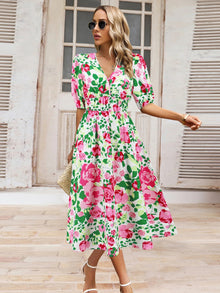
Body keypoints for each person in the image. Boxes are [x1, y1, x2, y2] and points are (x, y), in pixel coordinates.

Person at [66, 5, 202, 293]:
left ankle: (90, 268)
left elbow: (145, 104)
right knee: (104, 212)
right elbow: (80, 106)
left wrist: (181, 117)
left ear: (115, 27)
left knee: (116, 214)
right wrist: (75, 144)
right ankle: (126, 285)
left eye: (102, 24)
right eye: (93, 24)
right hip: (92, 146)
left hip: (124, 147)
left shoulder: (134, 64)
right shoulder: (81, 63)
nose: (96, 30)